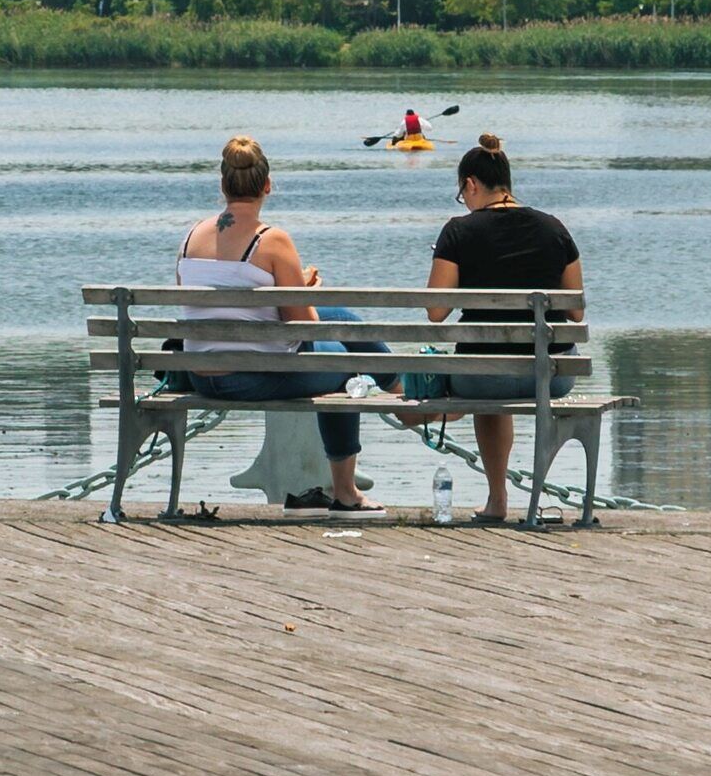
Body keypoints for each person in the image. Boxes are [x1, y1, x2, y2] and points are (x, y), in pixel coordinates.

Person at [165, 136, 381, 511]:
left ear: (223, 185)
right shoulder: (272, 240)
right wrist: (306, 291)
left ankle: (395, 382)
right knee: (344, 361)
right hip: (246, 376)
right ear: (267, 185)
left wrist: (293, 292)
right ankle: (347, 491)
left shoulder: (189, 237)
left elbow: (203, 307)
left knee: (343, 318)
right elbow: (305, 327)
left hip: (201, 371)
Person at [421, 133, 582, 523]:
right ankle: (523, 498)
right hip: (552, 375)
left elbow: (436, 311)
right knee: (507, 361)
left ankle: (498, 499)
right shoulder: (553, 228)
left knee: (487, 364)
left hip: (482, 378)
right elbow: (575, 312)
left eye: (463, 194)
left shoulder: (458, 231)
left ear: (471, 184)